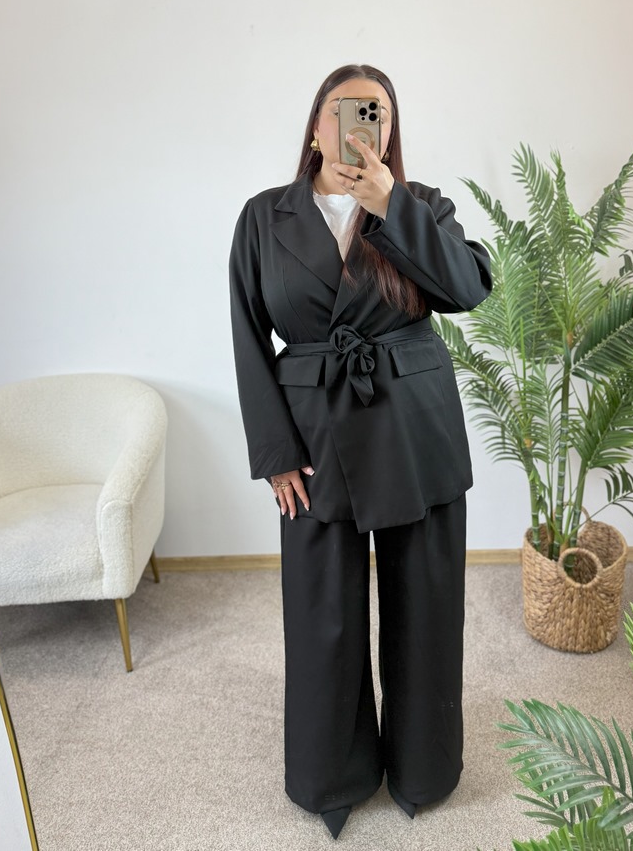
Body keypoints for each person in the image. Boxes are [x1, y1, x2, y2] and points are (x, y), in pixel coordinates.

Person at [229, 64, 492, 839]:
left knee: (425, 607)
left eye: (376, 113)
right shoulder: (265, 216)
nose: (359, 125)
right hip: (312, 434)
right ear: (317, 126)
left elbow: (469, 288)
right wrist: (274, 450)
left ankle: (422, 768)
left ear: (387, 130)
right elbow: (246, 331)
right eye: (344, 111)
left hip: (414, 426)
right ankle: (331, 775)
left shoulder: (420, 205)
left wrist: (390, 207)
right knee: (323, 616)